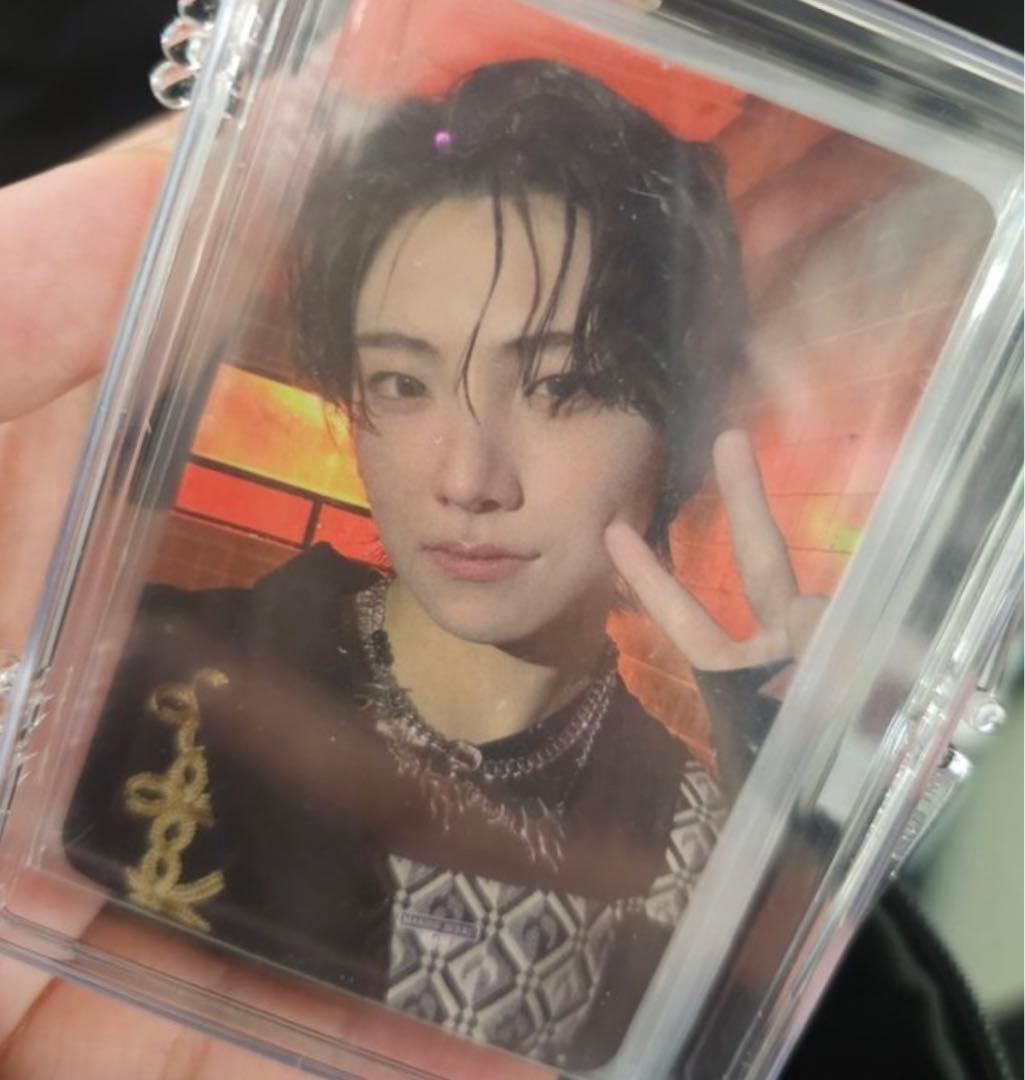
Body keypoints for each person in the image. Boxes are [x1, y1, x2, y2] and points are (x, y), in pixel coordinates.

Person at [0, 58, 1007, 1080]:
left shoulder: (690, 835)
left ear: (681, 424)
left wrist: (774, 819)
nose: (468, 479)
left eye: (561, 387)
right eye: (403, 383)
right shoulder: (139, 672)